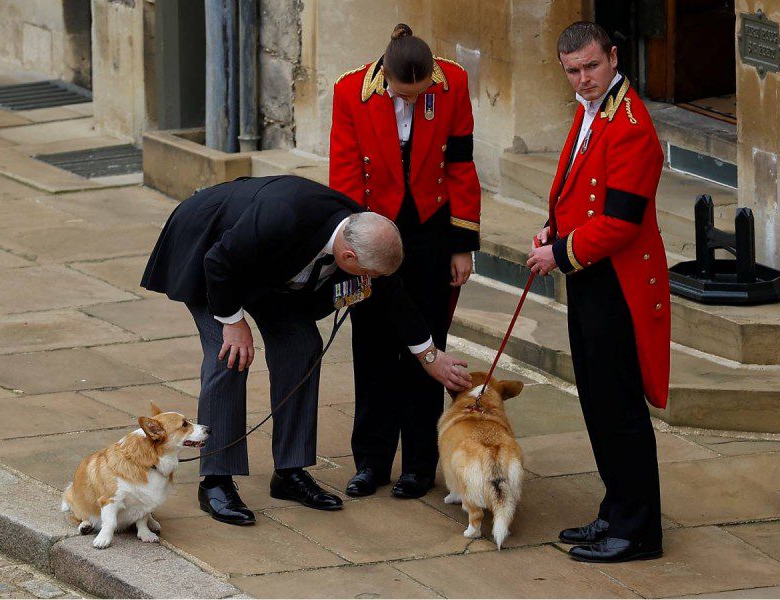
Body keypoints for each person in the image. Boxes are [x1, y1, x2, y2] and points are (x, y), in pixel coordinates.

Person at [141, 175, 472, 526]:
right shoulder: (282, 216)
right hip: (207, 251)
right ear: (347, 255)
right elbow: (219, 262)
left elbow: (395, 296)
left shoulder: (365, 233)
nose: (370, 280)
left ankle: (289, 472)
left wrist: (429, 357)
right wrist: (234, 323)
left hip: (266, 269)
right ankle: (216, 482)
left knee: (302, 344)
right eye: (367, 274)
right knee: (230, 356)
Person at [526, 22, 670, 562]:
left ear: (612, 57)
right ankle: (616, 510)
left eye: (591, 66)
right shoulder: (594, 111)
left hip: (619, 284)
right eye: (572, 71)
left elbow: (622, 221)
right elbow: (575, 189)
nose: (583, 80)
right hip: (592, 276)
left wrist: (558, 253)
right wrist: (551, 228)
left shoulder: (630, 123)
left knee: (620, 408)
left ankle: (639, 531)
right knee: (596, 400)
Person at [329, 23, 481, 499]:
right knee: (372, 347)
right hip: (374, 228)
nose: (412, 103)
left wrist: (462, 243)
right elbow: (345, 172)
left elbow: (461, 163)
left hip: (431, 230)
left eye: (420, 96)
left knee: (428, 345)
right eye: (404, 95)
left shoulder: (453, 81)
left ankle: (418, 465)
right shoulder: (349, 91)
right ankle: (370, 463)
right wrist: (356, 248)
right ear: (387, 76)